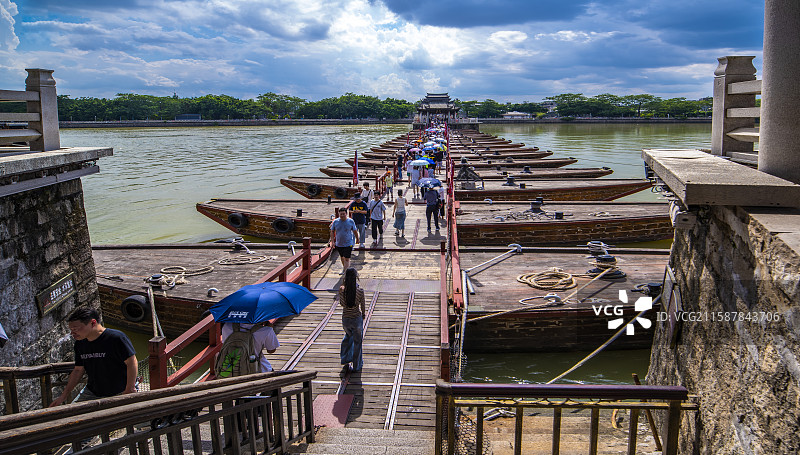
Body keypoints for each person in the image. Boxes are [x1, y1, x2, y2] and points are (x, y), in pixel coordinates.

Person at [50, 307, 137, 406]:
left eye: (75, 329)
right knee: (73, 413)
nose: (72, 333)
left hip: (120, 390)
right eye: (71, 330)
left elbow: (132, 362)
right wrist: (63, 396)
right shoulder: (80, 343)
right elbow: (78, 370)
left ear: (93, 323)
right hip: (92, 392)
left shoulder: (116, 338)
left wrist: (130, 388)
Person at [339, 267, 365, 372]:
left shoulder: (342, 291)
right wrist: (363, 314)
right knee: (358, 343)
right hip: (356, 318)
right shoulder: (360, 291)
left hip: (346, 319)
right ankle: (357, 365)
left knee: (348, 337)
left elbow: (342, 304)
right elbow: (362, 305)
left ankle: (345, 358)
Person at [329, 207, 359, 274]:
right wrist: (333, 242)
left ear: (346, 214)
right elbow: (332, 231)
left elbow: (355, 231)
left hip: (348, 243)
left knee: (347, 258)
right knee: (342, 257)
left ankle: (346, 272)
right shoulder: (336, 221)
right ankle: (345, 268)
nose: (342, 215)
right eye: (341, 214)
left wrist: (357, 239)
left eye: (343, 214)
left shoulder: (351, 221)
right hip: (339, 243)